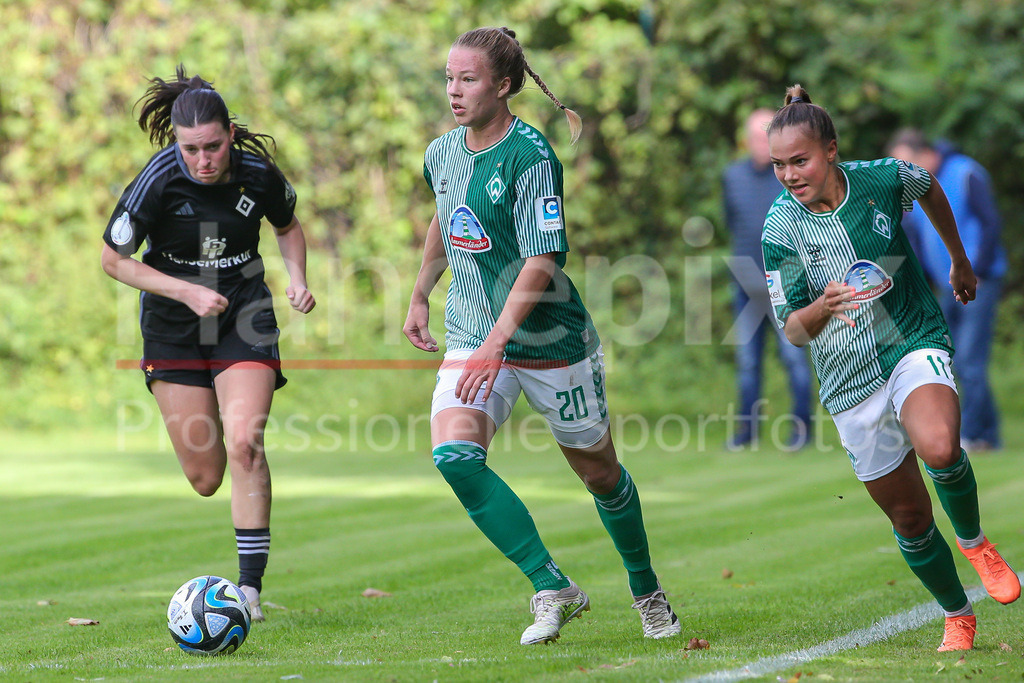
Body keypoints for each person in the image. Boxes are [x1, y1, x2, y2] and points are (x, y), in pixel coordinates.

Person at [403, 26, 680, 645]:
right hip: (473, 333)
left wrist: (499, 341)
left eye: (468, 79)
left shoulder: (531, 156)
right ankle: (552, 585)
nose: (453, 91)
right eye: (448, 78)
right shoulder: (441, 152)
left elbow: (542, 260)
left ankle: (646, 589)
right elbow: (445, 218)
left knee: (600, 473)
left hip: (550, 340)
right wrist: (421, 292)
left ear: (504, 85)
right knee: (455, 457)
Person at [760, 85, 1019, 652]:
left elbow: (929, 188)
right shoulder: (779, 229)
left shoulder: (881, 178)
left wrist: (958, 259)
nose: (788, 175)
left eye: (799, 161)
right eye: (779, 165)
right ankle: (957, 615)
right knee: (909, 518)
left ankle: (976, 543)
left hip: (911, 341)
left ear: (831, 150)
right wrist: (822, 307)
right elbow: (793, 330)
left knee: (941, 448)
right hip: (847, 380)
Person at [101, 65, 315, 622]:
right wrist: (187, 291)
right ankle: (211, 406)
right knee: (206, 477)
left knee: (245, 443)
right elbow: (113, 261)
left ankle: (249, 591)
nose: (202, 160)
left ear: (230, 134)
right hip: (173, 326)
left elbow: (288, 226)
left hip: (243, 314)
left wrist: (297, 278)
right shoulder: (158, 179)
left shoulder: (257, 173)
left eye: (213, 147)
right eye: (190, 149)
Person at [887, 129, 1004, 452]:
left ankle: (976, 433)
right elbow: (917, 239)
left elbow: (990, 222)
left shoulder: (965, 172)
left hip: (978, 283)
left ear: (925, 154)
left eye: (907, 164)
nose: (904, 173)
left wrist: (977, 270)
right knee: (948, 360)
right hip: (945, 288)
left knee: (969, 360)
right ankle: (988, 433)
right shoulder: (916, 188)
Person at [722, 109, 812, 450]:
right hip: (746, 285)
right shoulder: (732, 176)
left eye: (766, 138)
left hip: (786, 283)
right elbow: (732, 222)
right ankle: (747, 434)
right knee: (748, 363)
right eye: (756, 138)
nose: (761, 144)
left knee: (794, 359)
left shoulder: (790, 177)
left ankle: (802, 432)